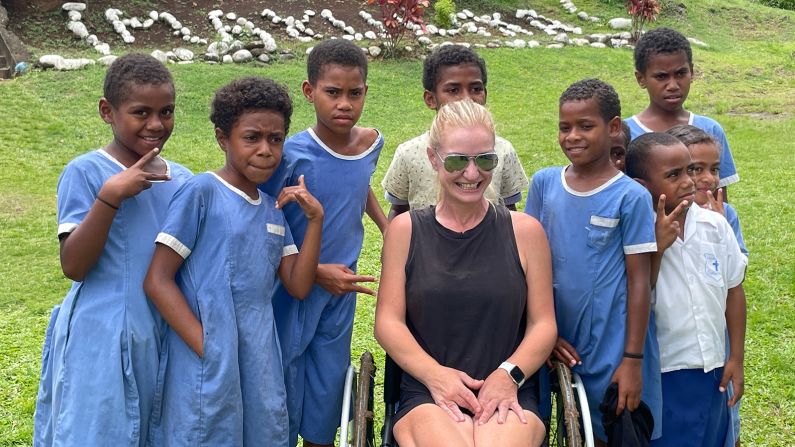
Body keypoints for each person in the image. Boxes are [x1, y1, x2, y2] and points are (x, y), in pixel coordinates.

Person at [144, 77, 323, 446]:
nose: (265, 150)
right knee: (206, 431)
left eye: (276, 139)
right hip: (207, 354)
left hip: (258, 357)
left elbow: (299, 285)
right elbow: (158, 280)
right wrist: (208, 347)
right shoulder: (202, 192)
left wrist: (315, 221)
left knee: (260, 430)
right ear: (223, 138)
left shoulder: (273, 212)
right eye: (251, 137)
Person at [375, 99, 556, 447]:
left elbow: (543, 323)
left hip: (509, 388)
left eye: (485, 160)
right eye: (458, 160)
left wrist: (509, 375)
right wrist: (436, 376)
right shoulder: (405, 231)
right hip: (428, 389)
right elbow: (388, 322)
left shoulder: (526, 232)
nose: (472, 174)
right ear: (433, 159)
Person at [32, 53, 192, 446]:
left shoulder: (183, 181)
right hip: (101, 337)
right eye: (141, 112)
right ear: (108, 111)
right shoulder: (87, 172)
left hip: (162, 333)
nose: (156, 124)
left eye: (166, 111)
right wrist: (110, 197)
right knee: (99, 431)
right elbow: (74, 266)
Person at [258, 39, 386, 447]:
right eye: (333, 93)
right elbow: (264, 224)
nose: (344, 104)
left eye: (355, 93)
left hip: (341, 290)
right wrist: (313, 272)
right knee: (283, 375)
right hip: (291, 288)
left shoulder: (371, 143)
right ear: (310, 92)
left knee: (329, 381)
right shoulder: (290, 153)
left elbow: (358, 186)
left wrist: (388, 227)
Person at [524, 79, 662, 444]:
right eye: (564, 127)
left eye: (586, 126)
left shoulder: (630, 196)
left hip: (612, 343)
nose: (573, 136)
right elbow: (526, 264)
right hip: (554, 337)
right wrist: (545, 333)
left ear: (613, 128)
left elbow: (639, 281)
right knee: (561, 426)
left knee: (608, 427)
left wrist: (632, 360)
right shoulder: (544, 184)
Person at [625, 132, 747, 447]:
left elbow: (734, 291)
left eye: (690, 170)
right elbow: (636, 297)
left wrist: (736, 357)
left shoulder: (716, 225)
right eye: (675, 174)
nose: (689, 182)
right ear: (642, 185)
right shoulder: (638, 234)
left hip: (713, 369)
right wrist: (658, 248)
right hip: (666, 373)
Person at [381, 44, 528, 218]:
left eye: (476, 89)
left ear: (485, 94)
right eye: (453, 90)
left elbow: (510, 209)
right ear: (430, 99)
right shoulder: (408, 153)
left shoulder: (502, 151)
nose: (466, 99)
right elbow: (398, 209)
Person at [626, 27, 739, 194]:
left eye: (680, 73)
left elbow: (718, 198)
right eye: (661, 76)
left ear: (691, 72)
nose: (673, 85)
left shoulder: (710, 129)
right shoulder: (625, 133)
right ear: (641, 78)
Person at [666, 124, 747, 255]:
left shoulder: (725, 213)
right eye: (696, 169)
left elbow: (737, 272)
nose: (709, 179)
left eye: (714, 170)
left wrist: (721, 226)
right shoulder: (656, 216)